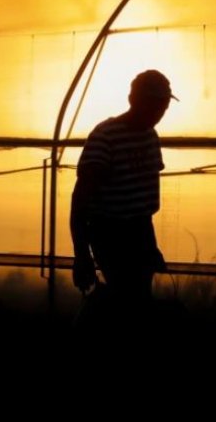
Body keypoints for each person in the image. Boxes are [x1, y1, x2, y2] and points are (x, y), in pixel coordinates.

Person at [70, 69, 177, 306]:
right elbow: (81, 200)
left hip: (138, 231)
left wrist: (150, 245)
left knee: (135, 300)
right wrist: (81, 254)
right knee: (129, 299)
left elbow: (143, 207)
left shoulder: (150, 137)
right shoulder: (105, 136)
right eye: (154, 105)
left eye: (163, 106)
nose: (159, 112)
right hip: (110, 233)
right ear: (134, 101)